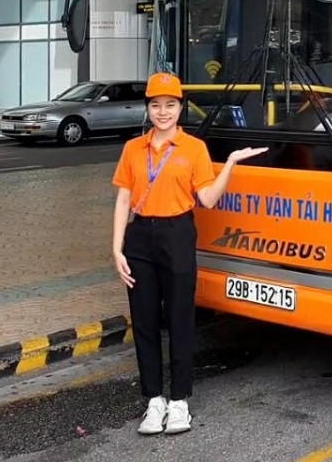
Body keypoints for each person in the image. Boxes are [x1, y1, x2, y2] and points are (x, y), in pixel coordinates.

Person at [111, 72, 266, 436]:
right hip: (140, 239)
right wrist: (117, 248)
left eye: (170, 105)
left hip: (178, 233)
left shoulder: (194, 148)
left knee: (180, 319)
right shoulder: (133, 149)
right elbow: (122, 200)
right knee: (145, 323)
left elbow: (208, 199)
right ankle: (154, 400)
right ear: (147, 108)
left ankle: (179, 401)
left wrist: (229, 164)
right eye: (155, 105)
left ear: (180, 107)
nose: (162, 112)